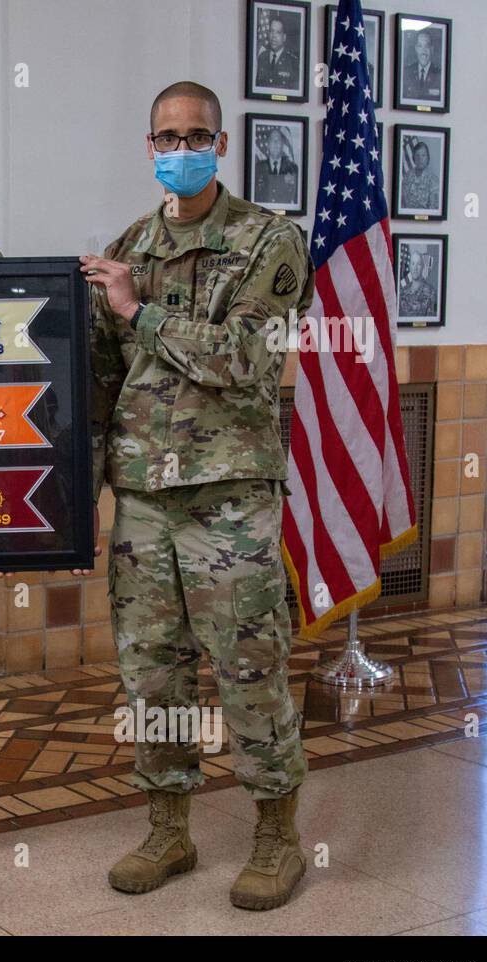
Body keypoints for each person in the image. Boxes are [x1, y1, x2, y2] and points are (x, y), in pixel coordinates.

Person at [77, 82, 311, 911]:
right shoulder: (127, 243)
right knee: (152, 676)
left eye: (196, 135)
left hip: (229, 497)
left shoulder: (270, 241)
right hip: (142, 498)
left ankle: (278, 836)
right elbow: (101, 380)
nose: (181, 147)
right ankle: (169, 827)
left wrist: (136, 312)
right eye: (166, 136)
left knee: (249, 667)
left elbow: (249, 358)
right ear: (148, 147)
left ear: (221, 142)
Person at [253, 127, 299, 208]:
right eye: (272, 140)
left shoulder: (293, 168)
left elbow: (295, 197)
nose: (275, 143)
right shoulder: (258, 168)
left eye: (278, 140)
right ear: (268, 144)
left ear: (282, 145)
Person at [255, 14, 299, 92]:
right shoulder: (262, 57)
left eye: (278, 32)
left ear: (284, 37)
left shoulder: (293, 61)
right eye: (271, 31)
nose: (274, 36)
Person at [402, 29, 442, 103]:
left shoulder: (440, 75)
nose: (423, 51)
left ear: (432, 49)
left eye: (427, 46)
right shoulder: (406, 73)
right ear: (416, 49)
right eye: (420, 46)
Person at [400, 140, 439, 212]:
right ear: (413, 158)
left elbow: (433, 210)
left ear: (428, 158)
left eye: (423, 155)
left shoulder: (434, 180)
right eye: (417, 155)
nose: (420, 159)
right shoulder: (407, 177)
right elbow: (402, 204)